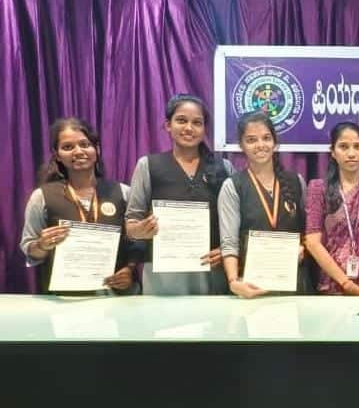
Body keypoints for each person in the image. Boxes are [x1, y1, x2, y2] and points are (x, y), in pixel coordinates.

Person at [125, 94, 235, 295]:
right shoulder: (148, 165)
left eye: (197, 123)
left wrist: (226, 252)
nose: (189, 128)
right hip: (164, 277)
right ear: (168, 125)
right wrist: (141, 230)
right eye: (181, 120)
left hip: (212, 271)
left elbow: (236, 223)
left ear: (204, 129)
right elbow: (131, 224)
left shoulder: (224, 168)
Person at [20, 117, 138, 294]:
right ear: (57, 155)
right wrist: (42, 245)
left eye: (85, 144)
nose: (78, 151)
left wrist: (129, 270)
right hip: (64, 300)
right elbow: (30, 249)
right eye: (68, 147)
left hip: (116, 299)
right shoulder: (41, 197)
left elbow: (136, 244)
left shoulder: (123, 193)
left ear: (97, 149)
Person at [218, 111, 308, 298]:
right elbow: (229, 243)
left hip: (295, 283)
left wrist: (303, 248)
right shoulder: (233, 186)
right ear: (241, 145)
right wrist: (233, 282)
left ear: (275, 142)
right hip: (251, 286)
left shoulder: (296, 182)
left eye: (266, 138)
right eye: (251, 140)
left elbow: (309, 233)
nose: (260, 145)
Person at [304, 121, 359, 295]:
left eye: (357, 147)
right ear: (333, 152)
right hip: (331, 288)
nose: (351, 154)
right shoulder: (319, 189)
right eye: (343, 147)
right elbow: (312, 242)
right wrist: (345, 283)